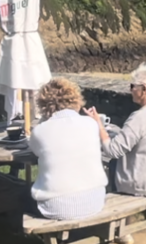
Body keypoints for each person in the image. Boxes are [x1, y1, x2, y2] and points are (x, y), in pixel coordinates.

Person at [86, 62, 146, 198]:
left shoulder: (140, 117)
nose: (131, 90)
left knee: (106, 160)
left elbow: (112, 151)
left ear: (144, 89)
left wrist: (99, 125)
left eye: (133, 86)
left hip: (144, 185)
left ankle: (103, 204)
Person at [29, 78, 107, 220]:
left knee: (18, 193)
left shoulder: (40, 131)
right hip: (95, 200)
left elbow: (34, 150)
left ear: (43, 105)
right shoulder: (91, 124)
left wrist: (44, 120)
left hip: (56, 206)